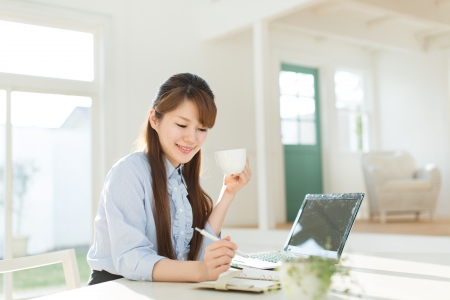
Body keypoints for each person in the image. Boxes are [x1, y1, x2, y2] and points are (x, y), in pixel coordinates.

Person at [86, 73, 252, 285]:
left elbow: (196, 256)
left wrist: (228, 193)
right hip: (116, 288)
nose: (191, 138)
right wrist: (199, 271)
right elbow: (131, 259)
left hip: (160, 289)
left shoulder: (184, 179)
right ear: (154, 119)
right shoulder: (128, 173)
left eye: (202, 129)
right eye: (182, 125)